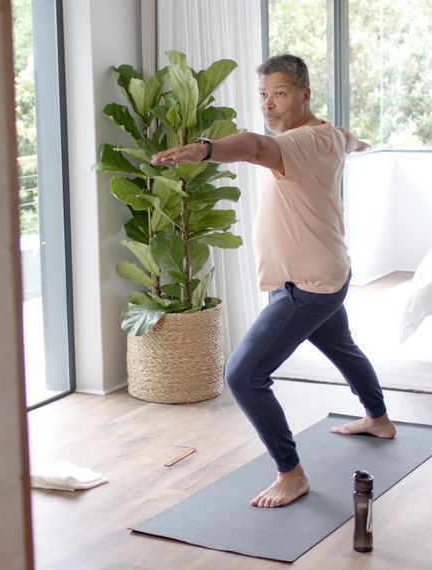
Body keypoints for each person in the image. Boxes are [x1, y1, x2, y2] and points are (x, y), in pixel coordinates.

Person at [151, 54, 397, 508]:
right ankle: (378, 418)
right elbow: (349, 139)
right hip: (326, 273)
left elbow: (252, 147)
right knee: (342, 346)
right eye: (263, 95)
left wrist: (204, 149)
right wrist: (358, 142)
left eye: (280, 94)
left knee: (244, 375)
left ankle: (291, 473)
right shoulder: (329, 134)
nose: (269, 105)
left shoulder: (300, 143)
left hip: (306, 287)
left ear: (304, 94)